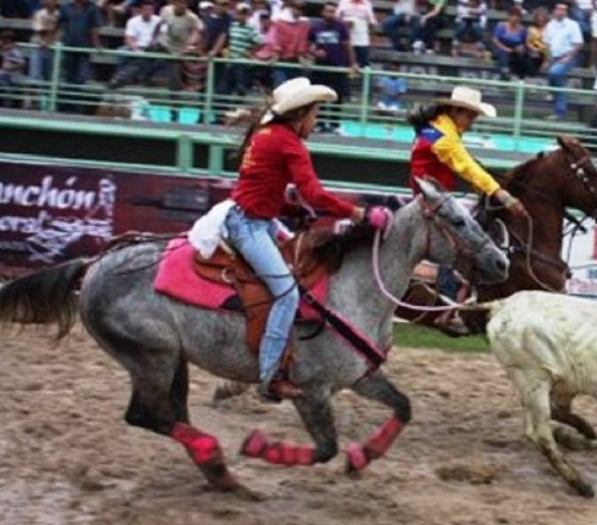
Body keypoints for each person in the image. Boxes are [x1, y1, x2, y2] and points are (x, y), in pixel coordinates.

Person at [200, 78, 391, 401]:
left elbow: (259, 186)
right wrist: (358, 214)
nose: (316, 123)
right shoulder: (288, 143)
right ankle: (270, 374)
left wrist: (291, 208)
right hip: (250, 226)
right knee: (287, 294)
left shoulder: (264, 135)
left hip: (251, 218)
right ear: (300, 114)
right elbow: (313, 192)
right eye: (315, 114)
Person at [407, 86, 527, 334]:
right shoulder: (444, 135)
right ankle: (449, 309)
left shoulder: (432, 128)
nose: (472, 123)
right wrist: (500, 194)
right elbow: (464, 164)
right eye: (470, 117)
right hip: (433, 199)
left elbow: (458, 161)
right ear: (456, 111)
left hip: (430, 194)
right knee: (467, 243)